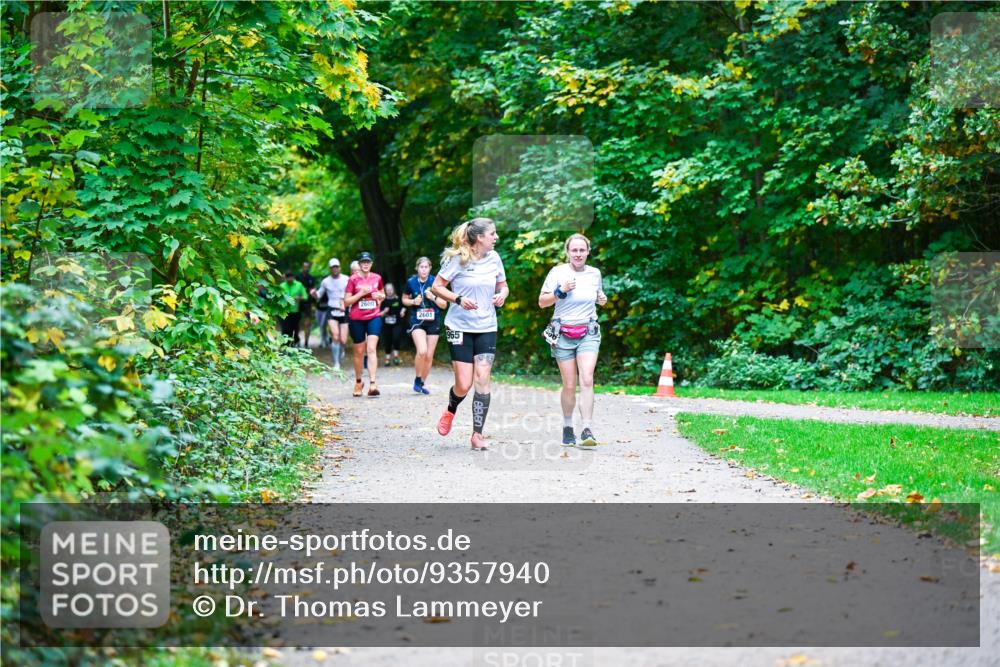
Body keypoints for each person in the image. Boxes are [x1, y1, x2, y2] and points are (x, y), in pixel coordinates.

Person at [429, 218, 508, 451]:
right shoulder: (458, 259)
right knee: (463, 384)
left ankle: (477, 434)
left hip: (486, 325)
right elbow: (436, 287)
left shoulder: (495, 258)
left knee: (482, 377)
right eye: (492, 234)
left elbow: (503, 285)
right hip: (459, 326)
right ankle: (451, 409)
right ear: (480, 238)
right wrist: (459, 299)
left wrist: (502, 294)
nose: (496, 238)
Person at [538, 233, 607, 446]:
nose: (578, 254)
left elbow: (598, 295)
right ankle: (568, 427)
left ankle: (587, 429)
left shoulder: (595, 273)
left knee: (586, 379)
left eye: (582, 250)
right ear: (568, 252)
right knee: (569, 384)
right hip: (563, 333)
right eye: (574, 250)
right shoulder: (558, 272)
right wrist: (561, 290)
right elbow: (542, 302)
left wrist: (601, 299)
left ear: (588, 252)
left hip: (588, 331)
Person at [403, 256, 447, 394]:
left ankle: (422, 383)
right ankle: (417, 378)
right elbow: (404, 299)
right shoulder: (411, 282)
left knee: (429, 355)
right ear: (417, 268)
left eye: (426, 267)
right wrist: (412, 302)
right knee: (422, 351)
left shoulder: (436, 283)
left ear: (430, 268)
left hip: (433, 321)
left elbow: (444, 304)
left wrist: (432, 297)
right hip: (417, 321)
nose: (424, 269)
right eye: (421, 267)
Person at [343, 251, 385, 397]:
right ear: (359, 264)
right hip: (356, 319)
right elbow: (346, 301)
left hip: (374, 316)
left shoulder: (377, 278)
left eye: (368, 262)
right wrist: (360, 294)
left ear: (371, 264)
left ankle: (373, 384)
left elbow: (382, 294)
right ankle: (358, 382)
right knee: (359, 352)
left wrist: (379, 296)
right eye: (363, 262)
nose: (365, 264)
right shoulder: (353, 280)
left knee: (371, 348)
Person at [315, 258, 349, 370]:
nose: (335, 269)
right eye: (333, 267)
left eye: (337, 267)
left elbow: (352, 293)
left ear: (339, 267)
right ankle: (336, 363)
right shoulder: (325, 281)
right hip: (332, 309)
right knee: (335, 336)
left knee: (343, 340)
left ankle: (341, 349)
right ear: (330, 269)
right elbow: (319, 295)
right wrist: (314, 294)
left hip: (343, 309)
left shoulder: (346, 279)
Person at [277, 270, 308, 346]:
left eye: (291, 277)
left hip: (295, 311)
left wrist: (299, 298)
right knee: (285, 329)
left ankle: (295, 341)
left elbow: (306, 297)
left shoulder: (299, 285)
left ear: (293, 277)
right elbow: (277, 297)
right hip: (284, 311)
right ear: (285, 278)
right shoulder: (282, 286)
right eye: (288, 278)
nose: (289, 279)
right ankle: (285, 345)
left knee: (295, 328)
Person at [379, 283, 405, 366]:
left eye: (391, 289)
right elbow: (378, 314)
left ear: (393, 290)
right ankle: (387, 358)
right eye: (387, 290)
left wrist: (402, 311)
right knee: (388, 340)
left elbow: (404, 306)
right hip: (386, 324)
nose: (389, 291)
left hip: (397, 323)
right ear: (385, 291)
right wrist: (384, 312)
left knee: (396, 338)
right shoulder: (383, 300)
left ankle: (396, 357)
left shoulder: (398, 299)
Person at [296, 261, 317, 348]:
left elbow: (313, 290)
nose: (306, 268)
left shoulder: (311, 278)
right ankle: (297, 340)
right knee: (296, 323)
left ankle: (306, 343)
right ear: (302, 267)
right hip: (298, 303)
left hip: (308, 303)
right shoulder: (298, 277)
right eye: (304, 266)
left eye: (307, 267)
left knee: (307, 324)